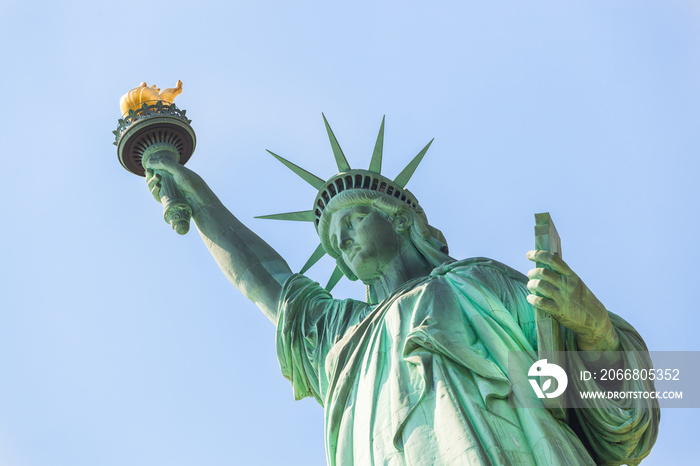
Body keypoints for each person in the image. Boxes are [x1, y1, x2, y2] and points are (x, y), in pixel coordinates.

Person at [144, 122, 659, 465]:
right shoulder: (342, 338)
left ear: (406, 222)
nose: (342, 238)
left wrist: (595, 327)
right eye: (333, 236)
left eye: (356, 216)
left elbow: (662, 390)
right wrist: (193, 191)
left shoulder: (476, 282)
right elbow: (265, 280)